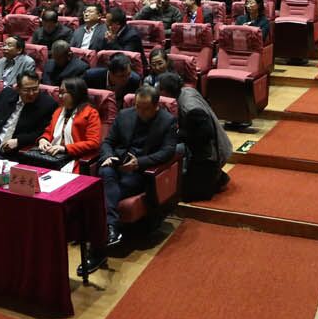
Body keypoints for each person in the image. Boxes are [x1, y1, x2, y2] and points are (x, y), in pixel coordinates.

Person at [90, 83, 178, 260]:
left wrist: (139, 163)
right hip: (117, 163)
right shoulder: (124, 115)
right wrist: (108, 156)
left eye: (146, 109)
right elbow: (108, 142)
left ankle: (106, 234)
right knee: (105, 172)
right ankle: (112, 228)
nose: (140, 112)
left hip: (140, 171)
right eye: (138, 107)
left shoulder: (167, 121)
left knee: (108, 190)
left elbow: (167, 151)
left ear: (156, 106)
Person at [159, 72, 232, 201]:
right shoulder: (186, 91)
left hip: (210, 153)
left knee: (185, 195)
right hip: (202, 146)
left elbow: (205, 135)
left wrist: (179, 134)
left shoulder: (190, 107)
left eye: (160, 89)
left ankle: (216, 177)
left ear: (166, 91)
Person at [0, 69, 57, 161]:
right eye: (27, 90)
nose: (31, 93)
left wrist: (19, 141)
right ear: (18, 88)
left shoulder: (47, 104)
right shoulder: (7, 94)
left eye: (35, 89)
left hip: (15, 153)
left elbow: (41, 131)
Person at [30, 76, 102, 174]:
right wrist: (43, 140)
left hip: (75, 158)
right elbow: (48, 131)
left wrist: (65, 149)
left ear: (75, 94)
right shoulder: (59, 111)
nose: (59, 96)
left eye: (63, 93)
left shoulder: (90, 113)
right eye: (59, 92)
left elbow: (93, 142)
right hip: (51, 156)